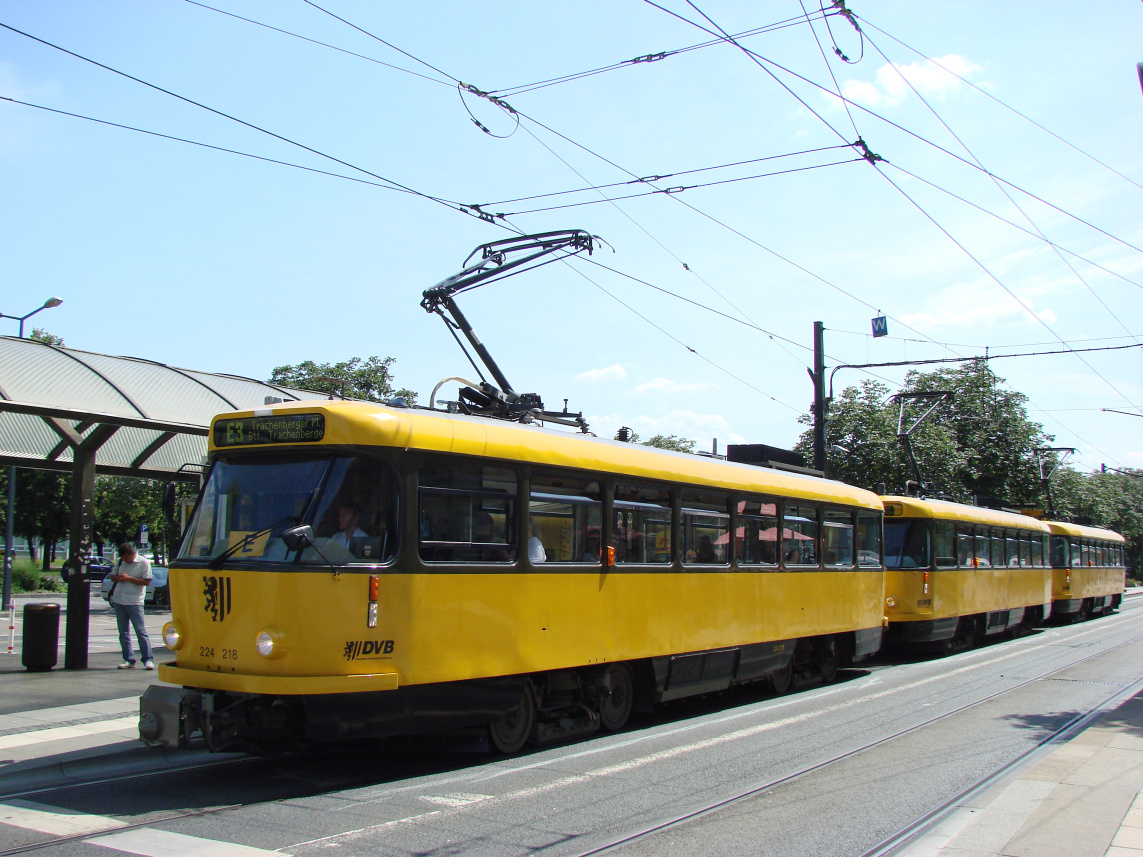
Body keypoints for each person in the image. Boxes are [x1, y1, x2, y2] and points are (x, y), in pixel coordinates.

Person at [109, 542, 154, 670]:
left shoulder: (143, 562)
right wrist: (118, 578)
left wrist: (129, 578)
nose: (125, 560)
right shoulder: (120, 562)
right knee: (123, 632)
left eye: (127, 558)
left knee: (140, 631)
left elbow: (146, 581)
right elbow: (112, 576)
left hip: (135, 601)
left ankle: (148, 659)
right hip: (119, 599)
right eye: (123, 558)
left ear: (133, 554)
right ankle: (128, 659)